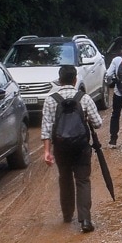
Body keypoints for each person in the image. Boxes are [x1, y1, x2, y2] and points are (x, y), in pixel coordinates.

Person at [42, 65, 103, 233]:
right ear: (75, 80)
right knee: (83, 180)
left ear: (60, 80)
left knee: (65, 178)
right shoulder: (84, 98)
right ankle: (85, 220)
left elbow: (46, 128)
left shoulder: (50, 100)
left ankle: (67, 215)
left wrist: (47, 152)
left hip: (61, 148)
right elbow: (98, 123)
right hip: (81, 147)